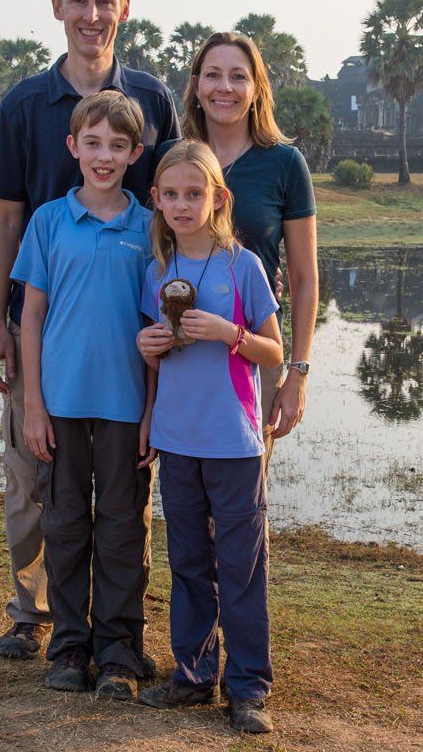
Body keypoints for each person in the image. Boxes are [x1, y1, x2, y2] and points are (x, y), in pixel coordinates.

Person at [0, 0, 180, 663]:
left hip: (127, 334)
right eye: (78, 1)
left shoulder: (153, 102)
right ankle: (35, 615)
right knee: (35, 475)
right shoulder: (25, 104)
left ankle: (122, 631)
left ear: (124, 10)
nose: (91, 15)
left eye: (104, 1)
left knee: (127, 495)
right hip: (44, 319)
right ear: (58, 7)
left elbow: (170, 208)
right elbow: (5, 217)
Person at [134, 140, 282, 733]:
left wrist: (229, 332)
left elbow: (274, 350)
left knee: (240, 564)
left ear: (218, 198)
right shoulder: (156, 272)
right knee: (189, 560)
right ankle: (194, 676)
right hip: (178, 438)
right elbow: (155, 355)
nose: (182, 204)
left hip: (234, 442)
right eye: (170, 194)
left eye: (194, 194)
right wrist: (149, 348)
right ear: (157, 201)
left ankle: (247, 687)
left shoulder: (241, 266)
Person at [10, 90, 154, 700]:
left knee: (122, 529)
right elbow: (33, 317)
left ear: (135, 153)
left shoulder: (150, 228)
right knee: (66, 525)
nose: (104, 156)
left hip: (125, 407)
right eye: (92, 143)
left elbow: (158, 329)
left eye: (117, 146)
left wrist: (153, 411)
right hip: (60, 407)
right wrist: (34, 407)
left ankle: (119, 652)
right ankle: (69, 647)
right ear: (72, 147)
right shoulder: (48, 221)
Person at [146, 32, 317, 468]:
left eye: (238, 76)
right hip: (182, 360)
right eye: (213, 75)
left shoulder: (283, 163)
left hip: (253, 355)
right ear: (196, 85)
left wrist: (297, 373)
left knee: (240, 503)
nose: (225, 87)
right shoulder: (172, 156)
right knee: (187, 499)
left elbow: (303, 277)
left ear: (257, 87)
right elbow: (149, 248)